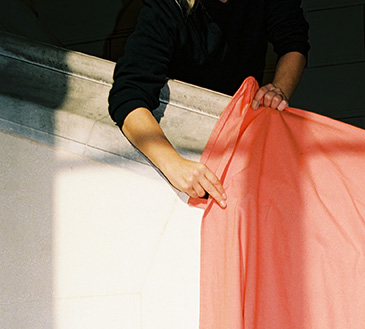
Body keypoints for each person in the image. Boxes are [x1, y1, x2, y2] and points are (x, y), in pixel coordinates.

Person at [108, 0, 309, 207]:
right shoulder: (166, 7)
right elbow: (128, 97)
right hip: (170, 147)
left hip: (238, 140)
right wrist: (174, 165)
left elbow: (293, 41)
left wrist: (279, 89)